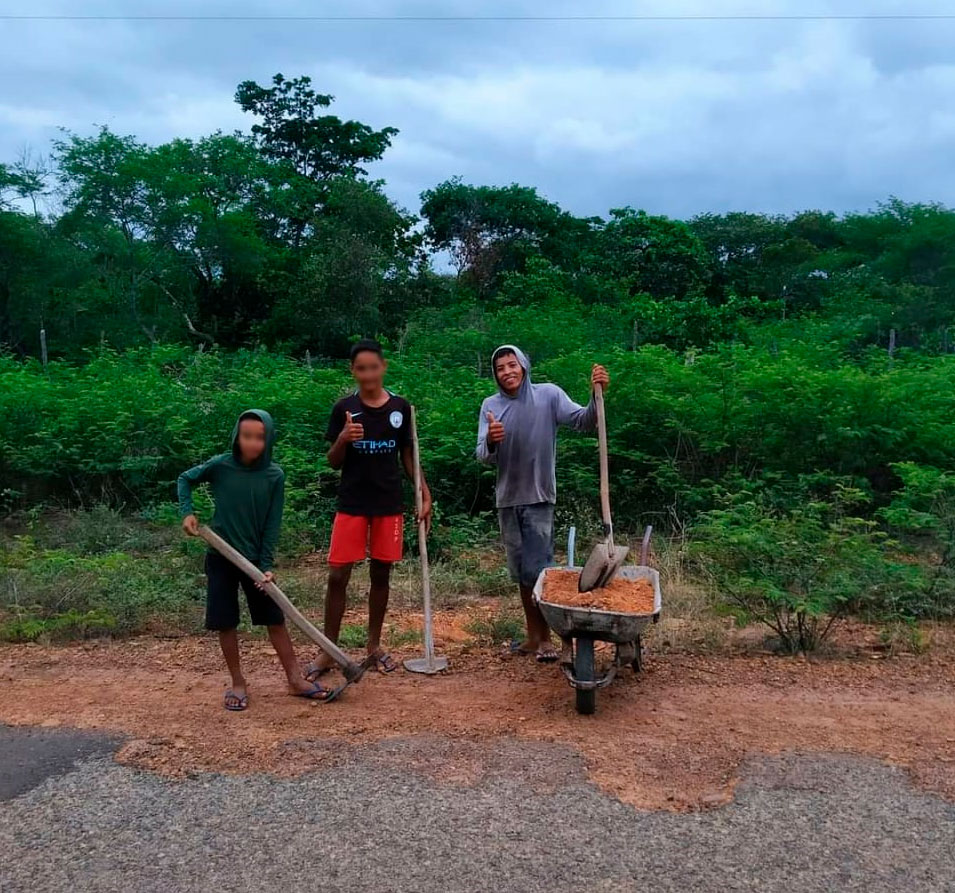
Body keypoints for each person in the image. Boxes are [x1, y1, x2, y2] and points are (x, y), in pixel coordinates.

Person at [178, 409, 328, 710]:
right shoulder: (221, 466)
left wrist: (266, 565)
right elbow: (185, 479)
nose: (253, 443)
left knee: (275, 619)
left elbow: (272, 524)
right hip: (220, 555)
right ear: (237, 436)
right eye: (247, 436)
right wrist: (187, 511)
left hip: (255, 563)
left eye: (260, 437)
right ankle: (237, 682)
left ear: (268, 439)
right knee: (226, 622)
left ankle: (295, 680)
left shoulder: (274, 476)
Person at [476, 345, 610, 662]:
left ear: (524, 366)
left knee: (539, 572)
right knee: (522, 573)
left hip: (538, 497)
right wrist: (492, 440)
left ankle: (552, 639)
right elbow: (482, 455)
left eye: (512, 365)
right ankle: (534, 637)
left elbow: (583, 420)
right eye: (500, 368)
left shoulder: (548, 395)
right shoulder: (490, 405)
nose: (507, 372)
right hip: (507, 500)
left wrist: (597, 394)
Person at [308, 339, 432, 677]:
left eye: (373, 367)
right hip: (352, 503)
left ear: (383, 367)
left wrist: (423, 491)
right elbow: (333, 463)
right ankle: (328, 650)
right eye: (360, 369)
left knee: (381, 574)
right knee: (338, 576)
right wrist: (344, 438)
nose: (367, 375)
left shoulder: (401, 408)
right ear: (353, 371)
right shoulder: (343, 409)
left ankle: (374, 645)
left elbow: (408, 457)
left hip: (388, 503)